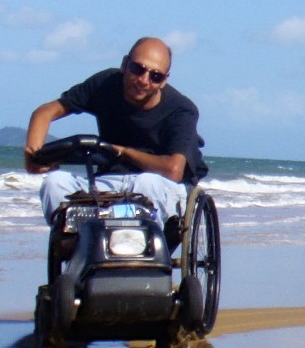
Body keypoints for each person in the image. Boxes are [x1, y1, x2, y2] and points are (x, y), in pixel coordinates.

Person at [24, 37, 206, 224]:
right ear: (125, 64)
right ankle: (72, 241)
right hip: (109, 182)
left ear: (164, 81)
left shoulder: (182, 110)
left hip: (163, 186)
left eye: (155, 76)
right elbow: (44, 112)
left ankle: (135, 245)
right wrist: (35, 156)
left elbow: (173, 170)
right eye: (138, 69)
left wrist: (122, 152)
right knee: (54, 182)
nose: (144, 80)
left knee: (147, 183)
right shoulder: (105, 84)